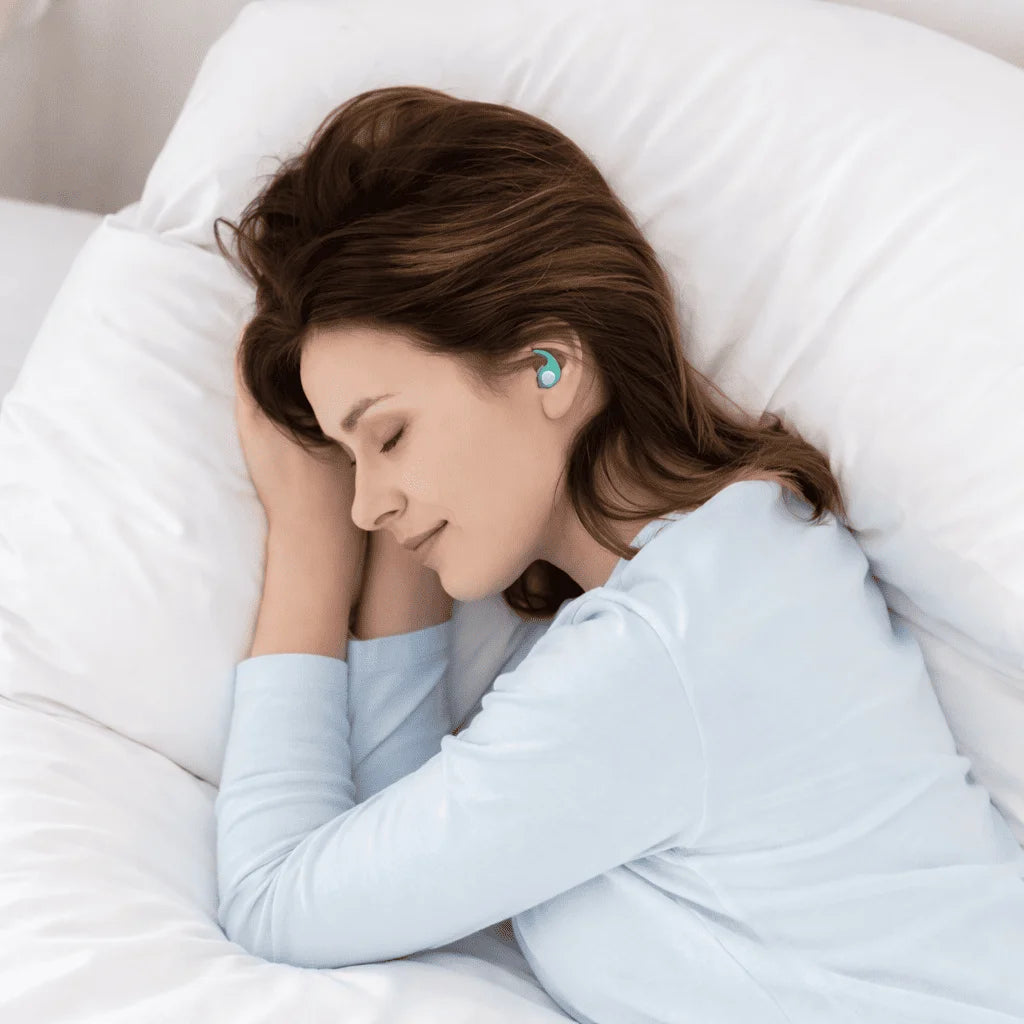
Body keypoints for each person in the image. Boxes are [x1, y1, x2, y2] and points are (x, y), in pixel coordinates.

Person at [213, 86, 1024, 1023]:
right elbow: (399, 868)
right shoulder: (726, 566)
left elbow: (275, 901)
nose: (361, 500)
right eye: (347, 460)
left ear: (550, 366)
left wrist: (309, 546)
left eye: (390, 437)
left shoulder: (654, 657)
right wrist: (398, 521)